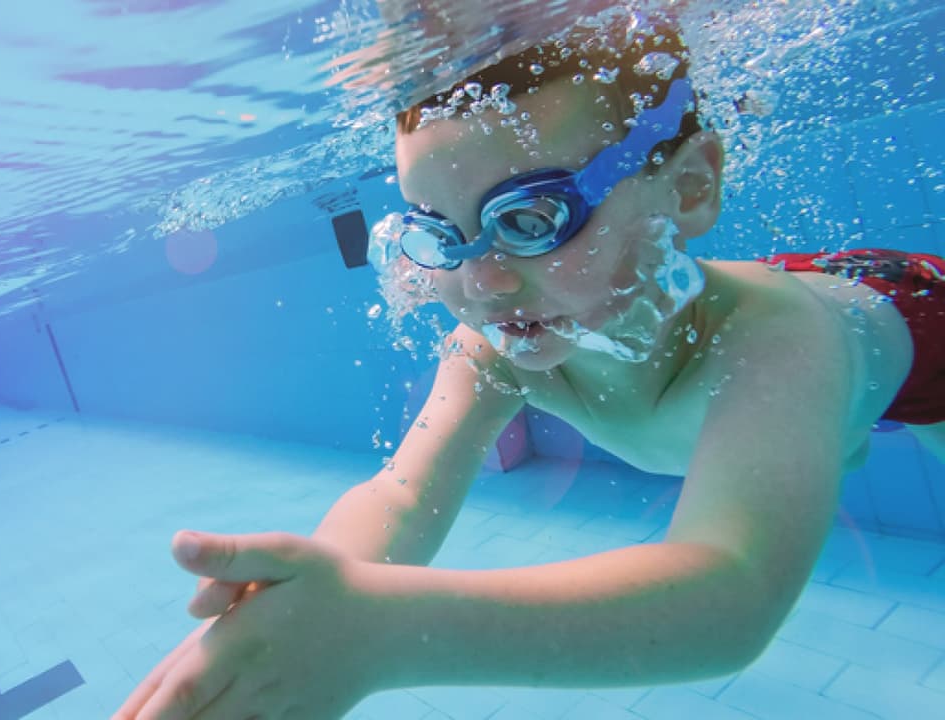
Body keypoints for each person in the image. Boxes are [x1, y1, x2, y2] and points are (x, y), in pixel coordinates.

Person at [112, 9, 944, 720]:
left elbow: (731, 592)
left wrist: (380, 636)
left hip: (912, 317)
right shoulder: (493, 349)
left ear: (689, 188)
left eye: (534, 214)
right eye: (441, 233)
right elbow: (400, 494)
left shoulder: (779, 344)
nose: (482, 280)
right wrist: (294, 604)